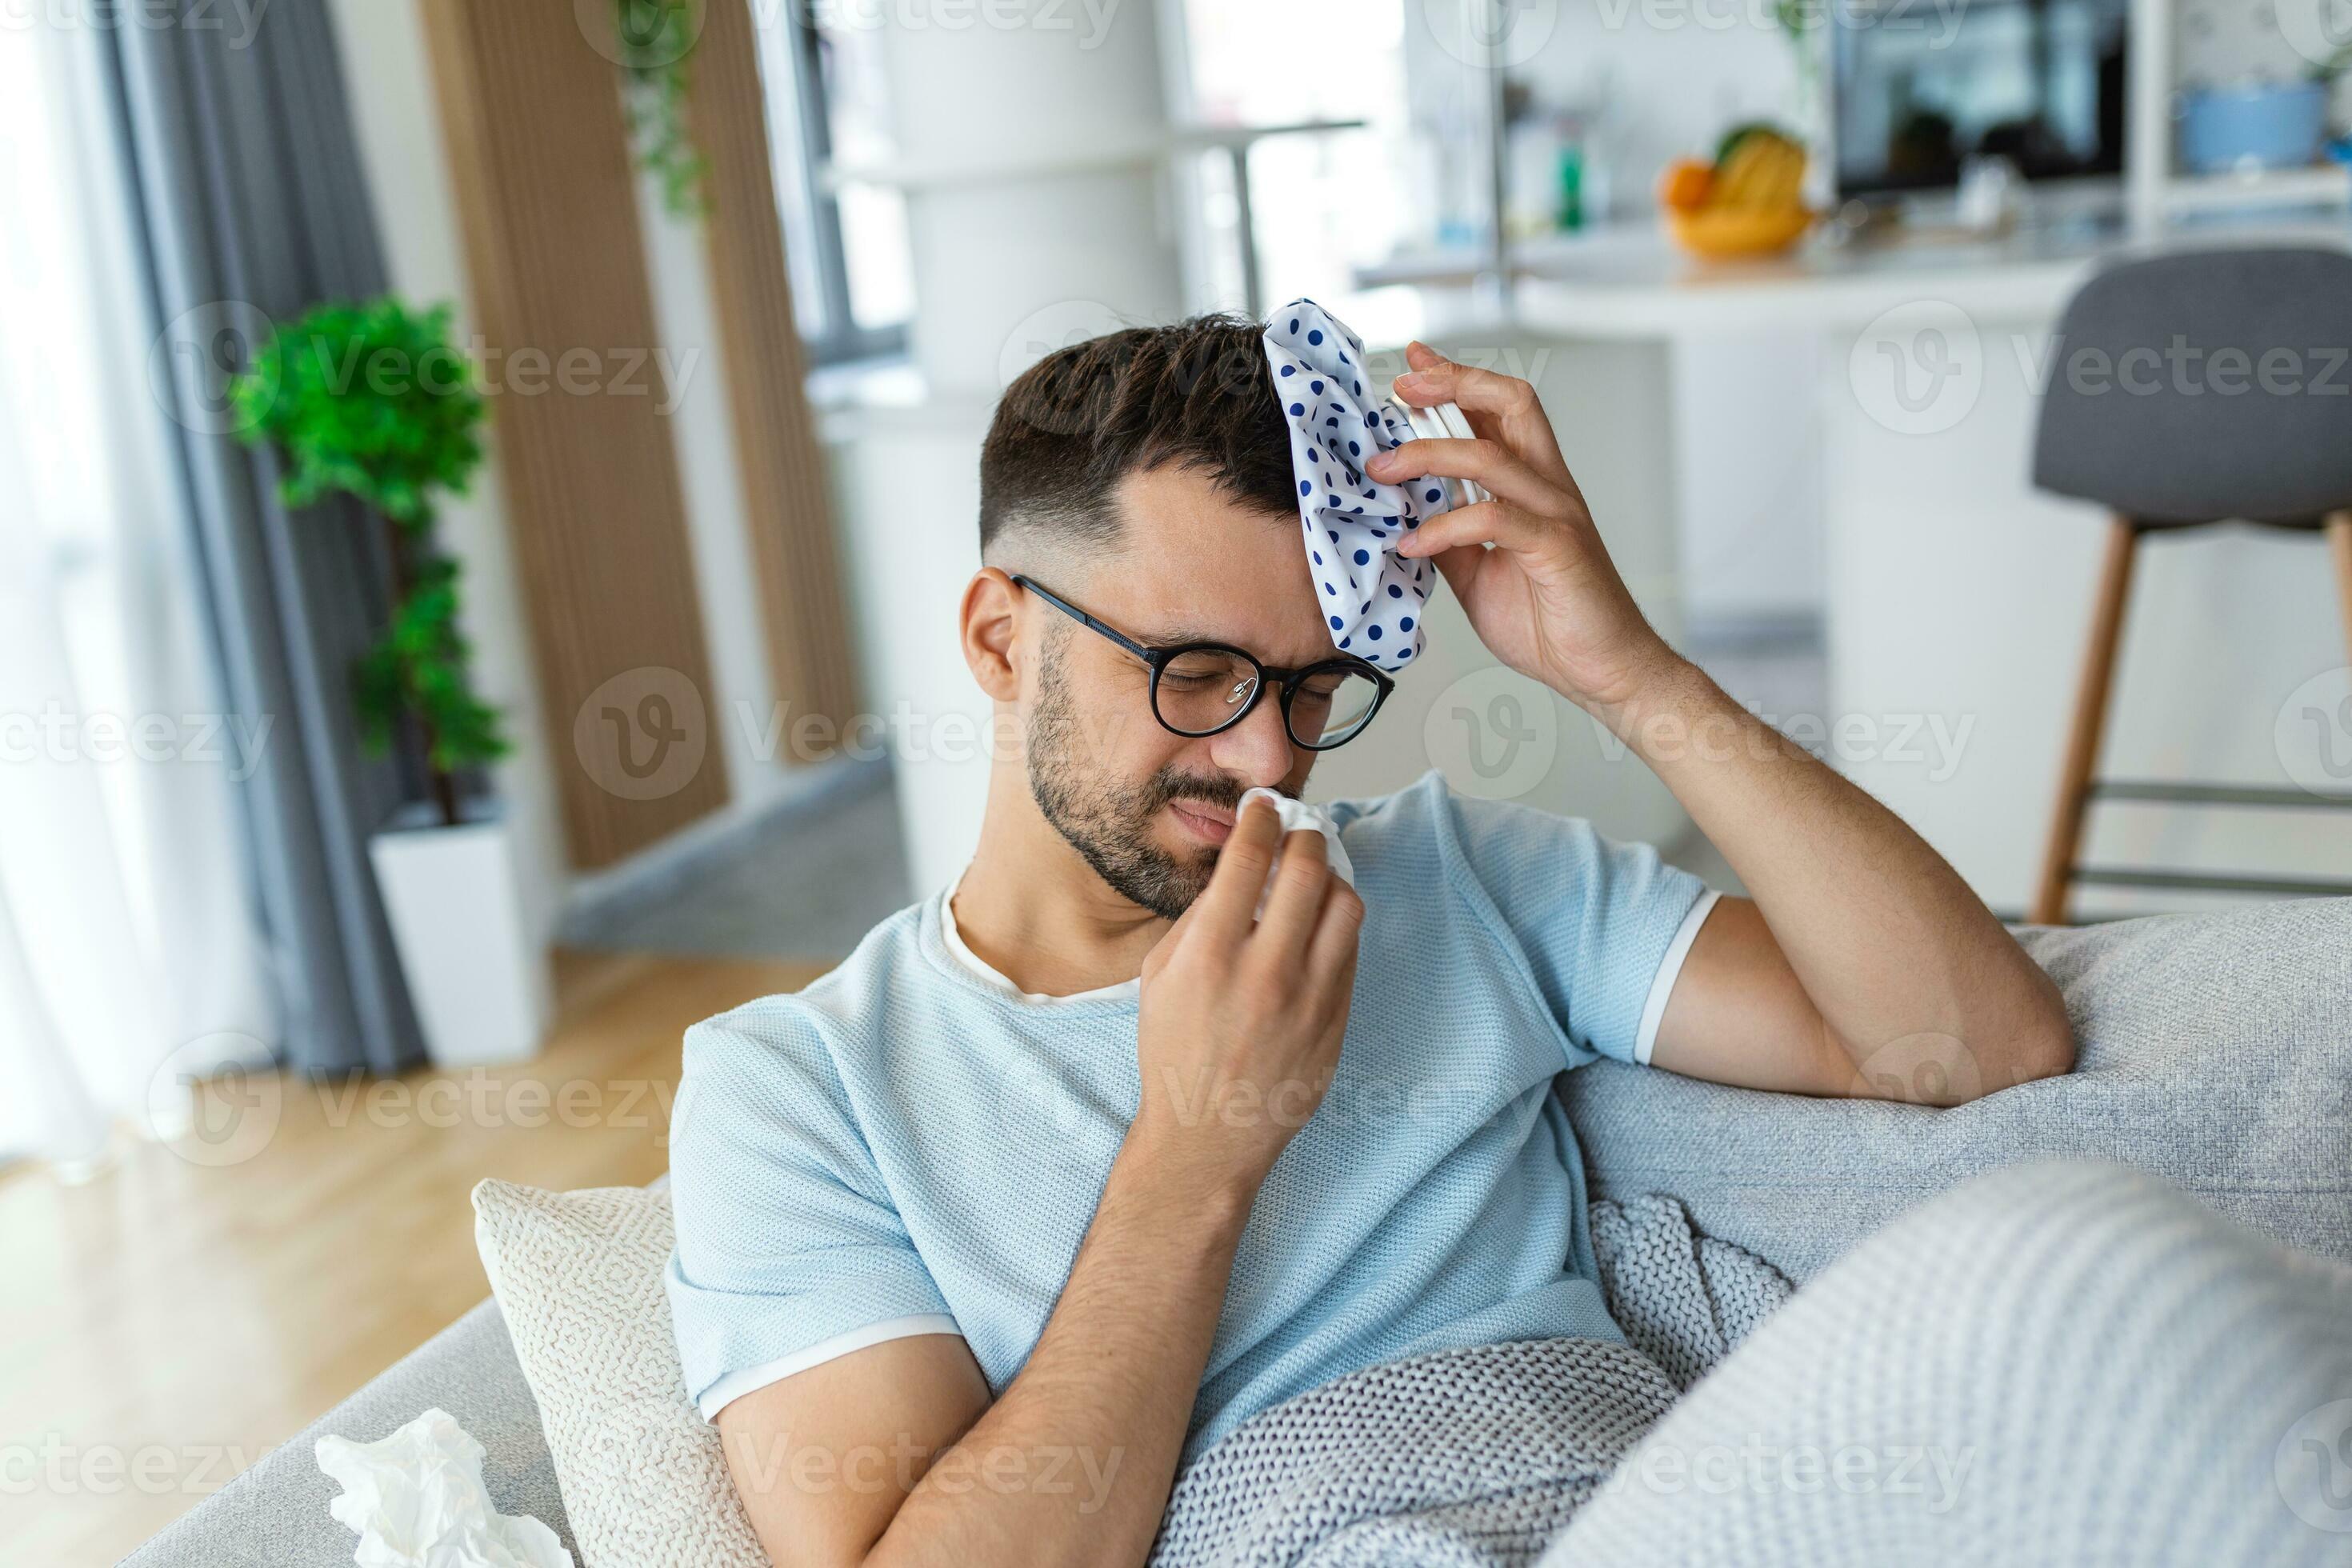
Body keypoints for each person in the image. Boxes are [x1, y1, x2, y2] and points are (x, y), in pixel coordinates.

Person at [664, 316, 2075, 1567]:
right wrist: (1200, 1149)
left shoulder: (1457, 874)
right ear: (997, 641)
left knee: (2136, 1292)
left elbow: (1974, 1042)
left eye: (1313, 685)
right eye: (1197, 673)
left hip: (1655, 1503)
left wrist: (1624, 671)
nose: (1269, 753)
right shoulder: (800, 1090)